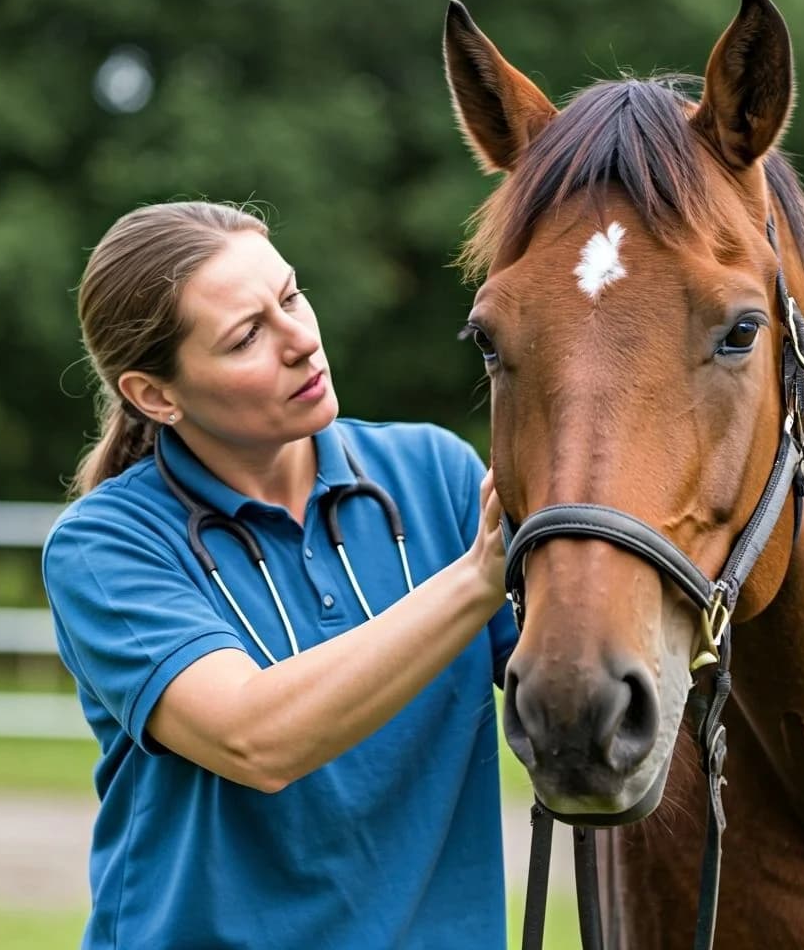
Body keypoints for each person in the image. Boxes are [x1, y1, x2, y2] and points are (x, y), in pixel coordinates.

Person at [41, 200, 518, 949]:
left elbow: (582, 693)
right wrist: (476, 581)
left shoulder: (439, 476)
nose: (301, 341)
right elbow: (254, 741)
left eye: (291, 298)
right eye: (246, 337)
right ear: (156, 396)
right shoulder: (104, 547)